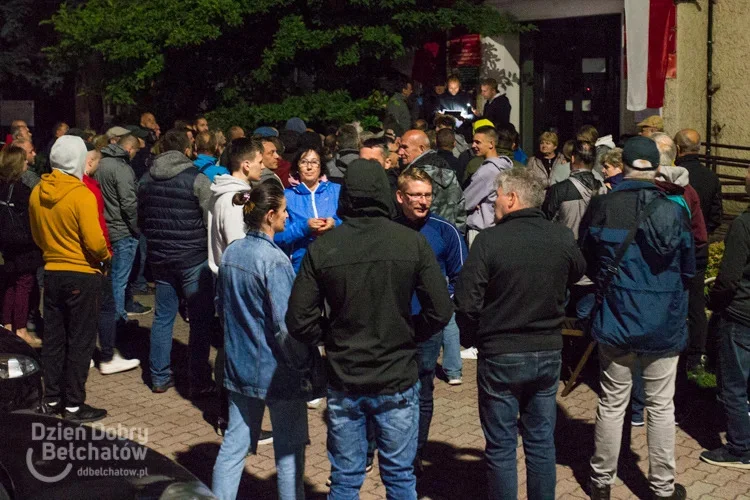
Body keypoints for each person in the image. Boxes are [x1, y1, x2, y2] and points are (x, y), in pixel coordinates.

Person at [286, 159, 454, 499]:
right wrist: (411, 332)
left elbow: (298, 320)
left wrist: (331, 336)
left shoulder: (324, 247)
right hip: (395, 374)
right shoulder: (410, 243)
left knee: (346, 478)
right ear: (385, 194)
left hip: (347, 375)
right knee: (400, 477)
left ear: (346, 196)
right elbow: (441, 309)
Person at [455, 166, 585, 499]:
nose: (493, 203)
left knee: (501, 445)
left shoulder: (489, 240)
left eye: (496, 196)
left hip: (502, 350)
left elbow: (466, 302)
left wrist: (475, 336)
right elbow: (578, 270)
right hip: (547, 349)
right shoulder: (560, 236)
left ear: (512, 198)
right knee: (540, 441)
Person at [582, 136, 694, 500]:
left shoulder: (602, 205)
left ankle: (601, 482)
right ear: (657, 168)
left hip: (617, 315)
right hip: (663, 320)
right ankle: (662, 487)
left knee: (612, 402)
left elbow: (586, 257)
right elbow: (689, 268)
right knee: (660, 406)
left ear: (623, 165)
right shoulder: (674, 209)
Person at [212, 183, 320, 500]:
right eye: (284, 211)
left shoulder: (232, 253)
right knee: (289, 450)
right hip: (278, 371)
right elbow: (286, 326)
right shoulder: (275, 261)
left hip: (240, 364)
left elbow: (222, 308)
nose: (288, 216)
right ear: (270, 215)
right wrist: (303, 364)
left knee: (234, 445)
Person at [29, 135, 111, 423]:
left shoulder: (37, 192)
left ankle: (51, 399)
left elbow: (37, 235)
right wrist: (105, 257)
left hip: (52, 271)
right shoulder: (81, 194)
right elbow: (95, 242)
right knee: (80, 342)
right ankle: (74, 405)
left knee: (53, 339)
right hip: (82, 272)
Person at [395, 167, 467, 472]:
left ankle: (417, 452)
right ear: (401, 197)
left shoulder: (444, 230)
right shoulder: (388, 228)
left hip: (427, 325)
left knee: (423, 387)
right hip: (393, 324)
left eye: (427, 195)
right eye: (416, 195)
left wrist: (443, 305)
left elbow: (461, 274)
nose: (423, 201)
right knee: (389, 387)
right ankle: (378, 448)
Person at [138, 129, 215, 395]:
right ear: (186, 150)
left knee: (163, 317)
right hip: (193, 257)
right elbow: (209, 220)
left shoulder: (145, 179)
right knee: (200, 320)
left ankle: (159, 376)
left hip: (160, 257)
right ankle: (199, 379)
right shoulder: (197, 178)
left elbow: (141, 219)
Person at [701, 165, 750, 469]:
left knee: (734, 385)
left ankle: (740, 448)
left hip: (742, 314)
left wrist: (716, 301)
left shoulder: (744, 224)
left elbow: (729, 277)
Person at [674, 128, 723, 375]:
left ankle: (671, 349)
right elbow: (716, 215)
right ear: (699, 148)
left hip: (673, 248)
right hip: (698, 248)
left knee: (673, 298)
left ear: (678, 149)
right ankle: (695, 355)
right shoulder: (710, 177)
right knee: (696, 304)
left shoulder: (674, 176)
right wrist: (703, 233)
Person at [96, 134, 152, 326]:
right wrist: (136, 228)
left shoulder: (100, 164)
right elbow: (128, 203)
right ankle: (118, 319)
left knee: (109, 277)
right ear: (130, 149)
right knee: (119, 279)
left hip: (104, 228)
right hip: (122, 230)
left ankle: (111, 315)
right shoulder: (122, 169)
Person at [0, 146, 44, 348]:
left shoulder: (2, 187)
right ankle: (21, 329)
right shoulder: (25, 191)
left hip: (6, 243)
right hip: (25, 245)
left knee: (10, 284)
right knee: (24, 286)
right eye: (24, 160)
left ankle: (8, 325)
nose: (27, 163)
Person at [274, 147, 341, 273]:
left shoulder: (337, 190)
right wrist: (304, 227)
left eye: (314, 162)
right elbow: (277, 236)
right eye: (304, 162)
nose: (309, 167)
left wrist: (334, 224)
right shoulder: (286, 196)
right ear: (297, 167)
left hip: (335, 261)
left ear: (321, 166)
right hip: (301, 265)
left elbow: (351, 222)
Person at [208, 138, 264, 275]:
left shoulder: (225, 192)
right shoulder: (233, 200)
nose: (263, 167)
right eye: (260, 162)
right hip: (236, 276)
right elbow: (238, 247)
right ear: (246, 165)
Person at [399, 129, 466, 229]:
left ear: (421, 148)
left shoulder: (416, 175)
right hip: (447, 233)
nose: (400, 152)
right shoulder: (448, 170)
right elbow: (461, 209)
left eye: (405, 147)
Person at [463, 126, 512, 247]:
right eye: (473, 141)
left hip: (480, 231)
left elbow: (465, 202)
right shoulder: (505, 167)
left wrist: (473, 203)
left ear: (491, 144)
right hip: (498, 229)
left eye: (478, 142)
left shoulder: (486, 171)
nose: (473, 145)